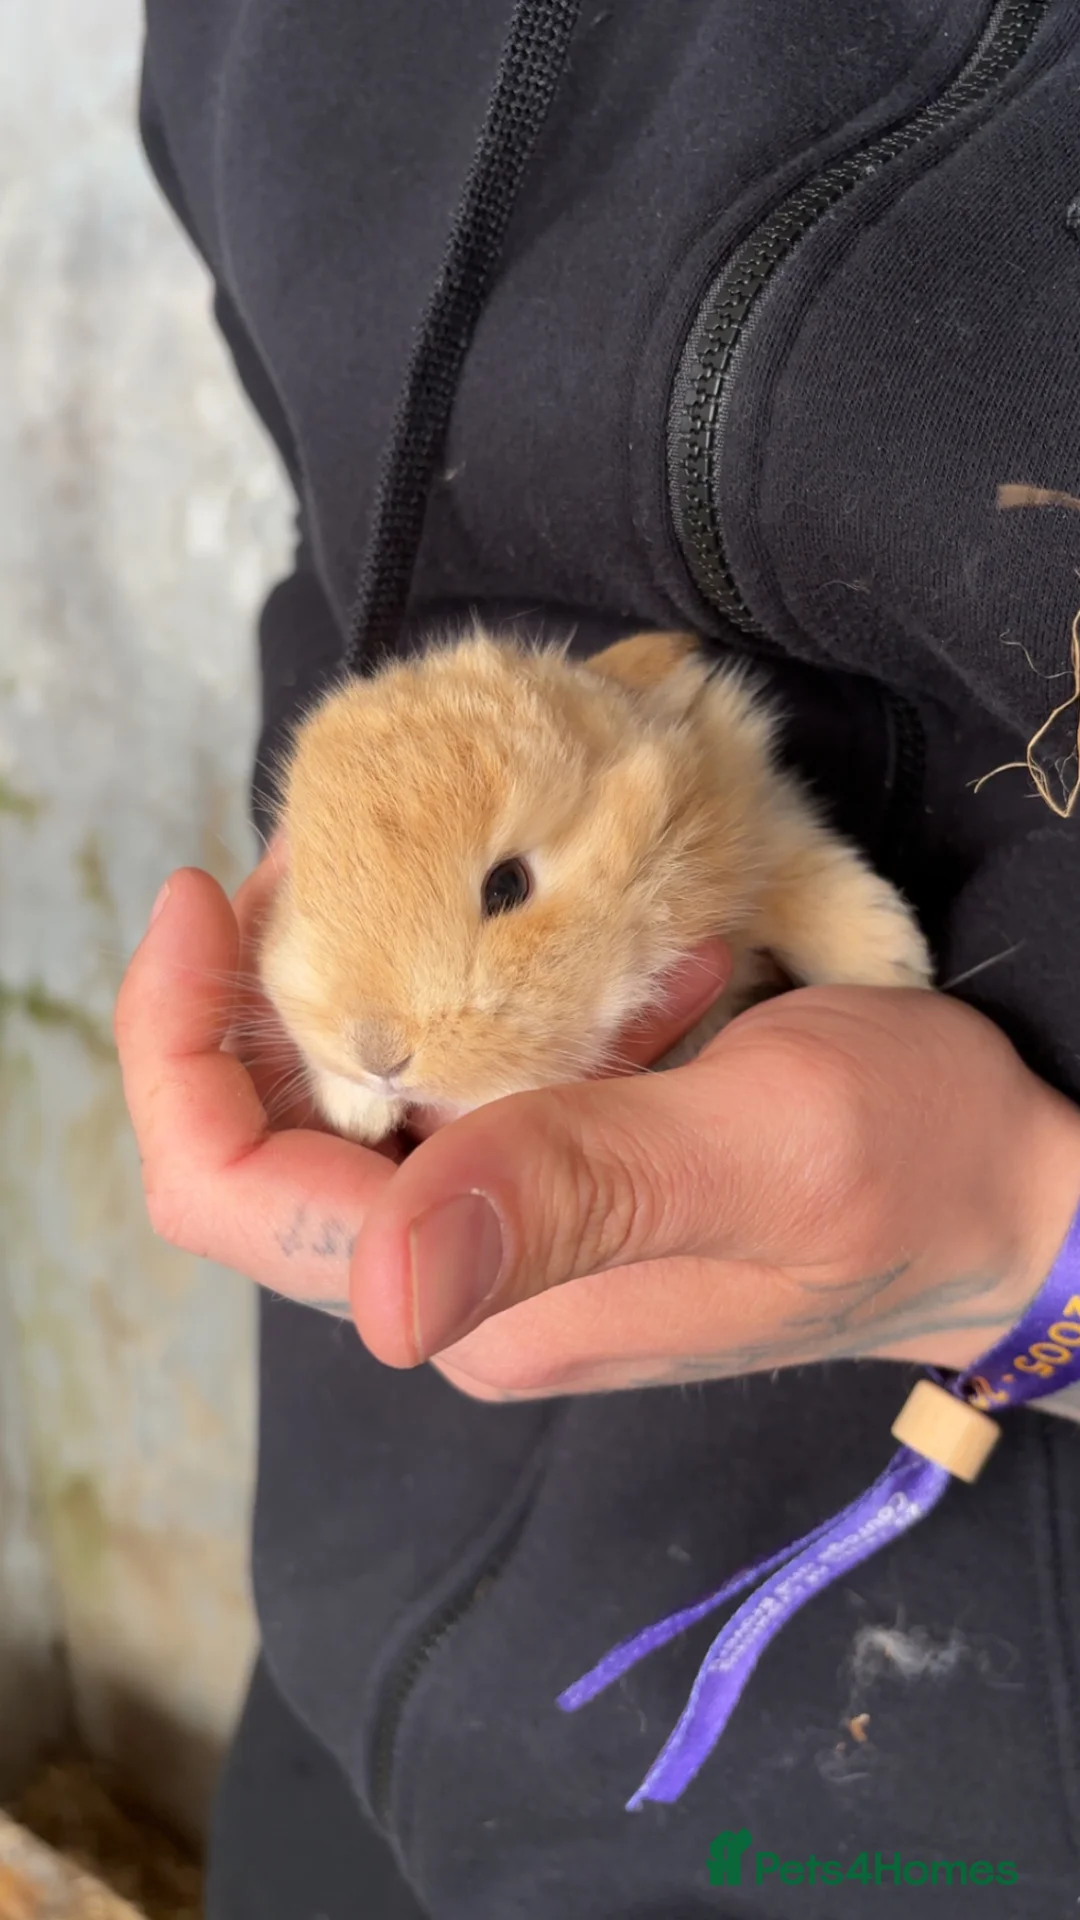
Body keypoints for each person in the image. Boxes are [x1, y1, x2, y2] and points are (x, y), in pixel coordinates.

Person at [118, 2, 1080, 1912]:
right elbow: (336, 537)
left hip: (934, 1777)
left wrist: (1029, 1259)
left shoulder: (667, 797)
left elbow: (768, 853)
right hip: (371, 1617)